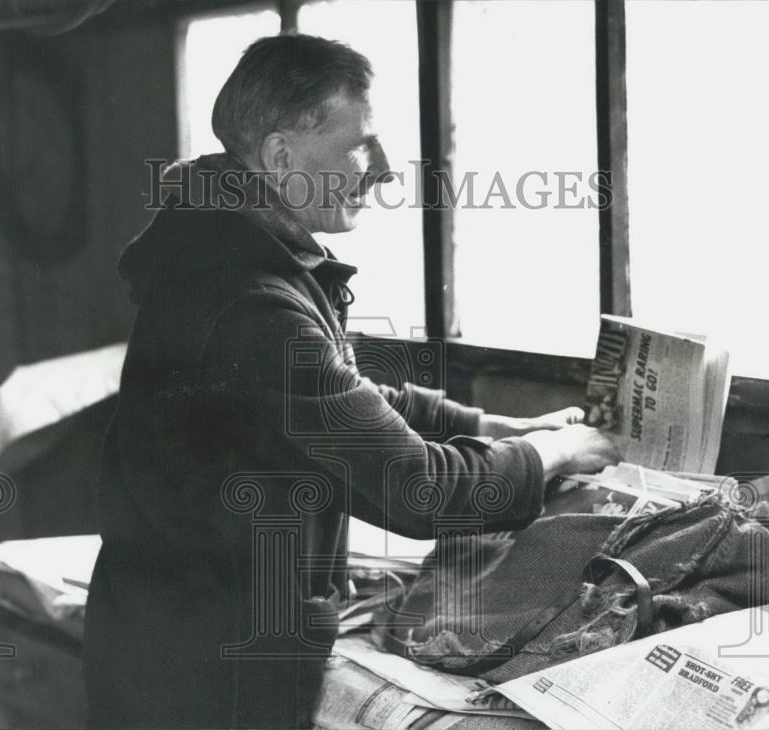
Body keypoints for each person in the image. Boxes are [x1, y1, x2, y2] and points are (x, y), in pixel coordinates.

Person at [83, 33, 620, 729]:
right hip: (208, 660)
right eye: (361, 144)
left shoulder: (228, 249)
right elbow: (415, 487)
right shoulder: (249, 300)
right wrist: (557, 454)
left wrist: (496, 429)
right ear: (281, 158)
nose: (387, 170)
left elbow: (349, 393)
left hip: (178, 627)